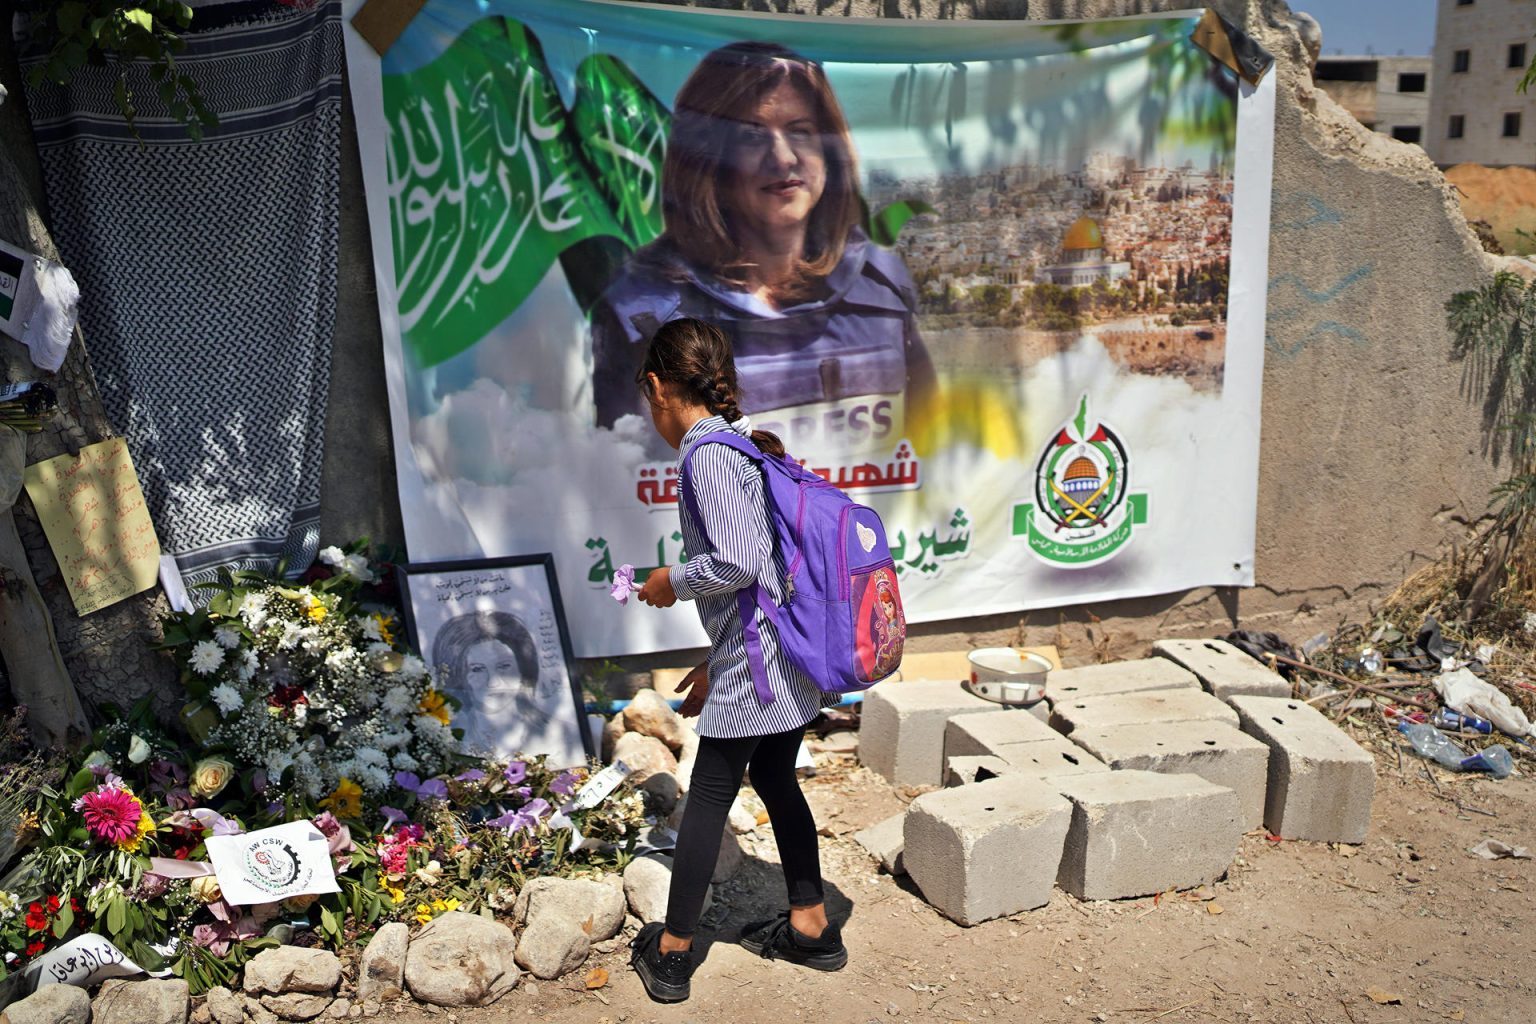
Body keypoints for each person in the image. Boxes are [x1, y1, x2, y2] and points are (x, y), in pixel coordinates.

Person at [627, 317, 847, 1003]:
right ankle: (811, 927)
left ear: (659, 386)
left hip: (760, 664)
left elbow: (738, 562)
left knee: (709, 795)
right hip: (778, 654)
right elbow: (761, 575)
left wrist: (672, 580)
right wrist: (710, 659)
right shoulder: (741, 443)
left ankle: (672, 952)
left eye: (648, 399)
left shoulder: (707, 453)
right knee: (778, 777)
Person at [591, 41, 936, 448]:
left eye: (801, 132)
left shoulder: (882, 287)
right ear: (708, 160)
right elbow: (618, 487)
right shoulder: (641, 312)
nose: (784, 157)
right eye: (752, 137)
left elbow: (931, 451)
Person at [432, 610, 565, 759]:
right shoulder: (448, 742)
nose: (494, 683)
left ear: (522, 667)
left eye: (504, 666)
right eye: (477, 669)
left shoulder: (560, 735)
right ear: (458, 676)